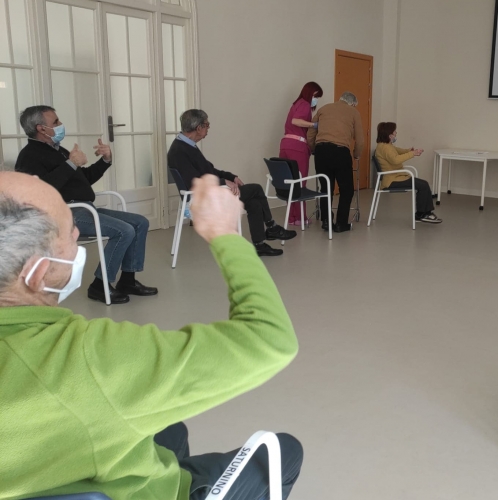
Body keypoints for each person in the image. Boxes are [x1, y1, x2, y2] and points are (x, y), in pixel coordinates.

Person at [0, 171, 303, 499]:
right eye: (72, 236)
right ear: (38, 273)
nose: (77, 235)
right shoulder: (91, 360)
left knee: (172, 431)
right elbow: (270, 339)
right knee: (286, 452)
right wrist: (226, 234)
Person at [14, 105, 157, 304]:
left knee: (139, 222)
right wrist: (71, 163)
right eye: (55, 122)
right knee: (124, 230)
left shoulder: (58, 151)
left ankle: (128, 281)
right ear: (41, 129)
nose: (60, 125)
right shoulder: (29, 156)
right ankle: (100, 285)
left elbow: (84, 179)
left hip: (85, 208)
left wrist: (105, 161)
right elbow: (38, 191)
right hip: (63, 214)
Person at [168, 109, 296, 257]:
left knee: (254, 203)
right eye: (207, 124)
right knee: (256, 189)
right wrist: (223, 182)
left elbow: (208, 171)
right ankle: (272, 227)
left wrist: (230, 177)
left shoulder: (187, 145)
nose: (208, 128)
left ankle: (260, 245)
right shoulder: (180, 151)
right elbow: (194, 182)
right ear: (198, 128)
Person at [307, 91, 364, 233]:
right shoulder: (353, 112)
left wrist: (314, 148)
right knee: (346, 189)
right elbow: (360, 139)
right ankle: (341, 223)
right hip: (340, 152)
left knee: (326, 188)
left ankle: (326, 221)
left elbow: (311, 132)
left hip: (321, 151)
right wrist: (356, 155)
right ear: (352, 104)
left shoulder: (324, 109)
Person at [374, 122, 442, 223]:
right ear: (389, 135)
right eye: (394, 132)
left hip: (396, 177)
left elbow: (398, 151)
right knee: (423, 185)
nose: (396, 133)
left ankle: (423, 213)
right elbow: (396, 160)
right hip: (392, 180)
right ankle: (423, 214)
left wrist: (409, 151)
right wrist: (412, 153)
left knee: (422, 185)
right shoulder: (386, 148)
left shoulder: (384, 145)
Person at [279, 82, 323, 226]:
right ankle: (300, 218)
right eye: (316, 96)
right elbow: (296, 121)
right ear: (310, 93)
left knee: (289, 184)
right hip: (297, 147)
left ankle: (292, 218)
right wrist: (314, 125)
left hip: (285, 145)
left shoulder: (296, 104)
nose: (316, 100)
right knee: (299, 183)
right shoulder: (304, 104)